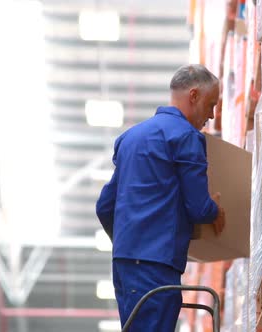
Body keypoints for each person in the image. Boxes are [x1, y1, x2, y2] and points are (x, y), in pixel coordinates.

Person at [96, 64, 226, 331]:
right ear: (193, 96)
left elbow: (104, 206)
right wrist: (216, 211)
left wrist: (129, 241)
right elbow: (199, 208)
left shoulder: (130, 138)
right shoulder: (187, 137)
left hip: (125, 266)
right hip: (157, 267)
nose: (211, 116)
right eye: (210, 105)